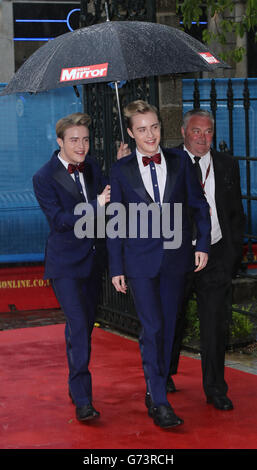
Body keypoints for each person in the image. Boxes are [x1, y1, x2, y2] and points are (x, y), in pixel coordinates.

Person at [107, 100, 211, 428]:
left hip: (176, 259)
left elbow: (199, 205)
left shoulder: (180, 161)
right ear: (130, 133)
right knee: (152, 327)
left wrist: (203, 243)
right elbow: (115, 222)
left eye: (154, 127)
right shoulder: (121, 170)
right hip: (138, 262)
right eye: (141, 129)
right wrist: (116, 266)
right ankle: (160, 399)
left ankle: (156, 386)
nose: (150, 135)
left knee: (167, 328)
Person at [33, 112, 128, 422]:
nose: (81, 145)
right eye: (74, 140)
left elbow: (109, 197)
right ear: (59, 141)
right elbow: (60, 221)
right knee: (78, 325)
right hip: (64, 265)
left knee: (83, 326)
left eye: (85, 139)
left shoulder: (92, 167)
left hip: (93, 260)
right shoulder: (44, 177)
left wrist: (120, 164)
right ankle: (83, 398)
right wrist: (94, 207)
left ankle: (76, 385)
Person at [167, 109, 245, 411]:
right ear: (184, 132)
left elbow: (236, 212)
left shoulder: (226, 164)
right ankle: (165, 374)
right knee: (173, 319)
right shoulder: (169, 161)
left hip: (214, 255)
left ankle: (215, 389)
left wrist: (232, 256)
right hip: (179, 256)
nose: (203, 137)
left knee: (215, 325)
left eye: (208, 131)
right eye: (197, 131)